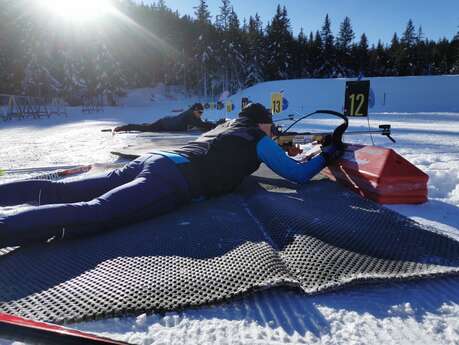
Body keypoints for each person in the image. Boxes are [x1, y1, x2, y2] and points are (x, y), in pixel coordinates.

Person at [0, 103, 341, 247]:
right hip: (170, 178)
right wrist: (327, 153)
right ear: (263, 123)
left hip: (154, 160)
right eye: (270, 124)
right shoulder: (259, 138)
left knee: (64, 191)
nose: (272, 129)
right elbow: (297, 176)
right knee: (96, 212)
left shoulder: (227, 127)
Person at [113, 103, 222, 133]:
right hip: (164, 124)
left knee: (148, 126)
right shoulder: (190, 116)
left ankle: (146, 124)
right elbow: (202, 125)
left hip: (167, 122)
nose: (201, 114)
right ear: (194, 110)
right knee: (146, 129)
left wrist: (215, 124)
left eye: (202, 112)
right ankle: (123, 127)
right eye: (200, 112)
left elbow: (202, 123)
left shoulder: (192, 115)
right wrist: (217, 126)